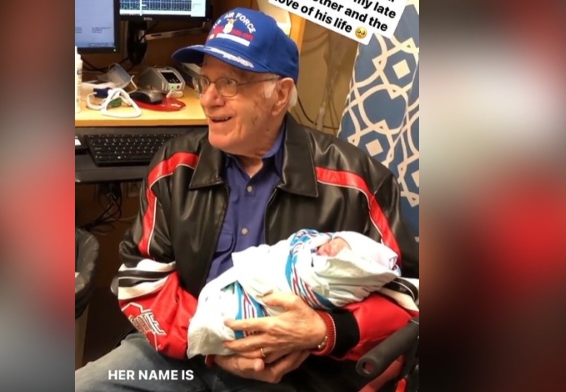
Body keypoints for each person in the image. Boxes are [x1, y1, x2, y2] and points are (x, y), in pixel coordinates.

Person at [75, 7, 419, 392]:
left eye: (229, 84)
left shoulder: (355, 183)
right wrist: (210, 345)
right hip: (183, 354)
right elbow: (140, 277)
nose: (208, 99)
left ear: (281, 95)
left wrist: (324, 330)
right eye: (204, 80)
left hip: (297, 370)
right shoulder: (175, 167)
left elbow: (409, 297)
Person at [186, 228, 418, 358]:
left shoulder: (358, 177)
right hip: (192, 326)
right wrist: (214, 353)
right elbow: (154, 271)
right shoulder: (173, 167)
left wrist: (327, 329)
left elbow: (408, 302)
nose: (329, 247)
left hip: (309, 374)